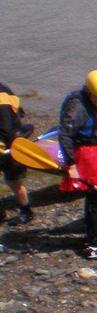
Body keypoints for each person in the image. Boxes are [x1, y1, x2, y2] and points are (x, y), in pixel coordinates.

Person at [58, 70, 97, 260]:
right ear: (90, 90)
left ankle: (92, 233)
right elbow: (65, 135)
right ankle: (92, 245)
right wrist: (71, 165)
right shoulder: (77, 107)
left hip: (89, 151)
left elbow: (86, 130)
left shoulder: (85, 99)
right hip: (82, 155)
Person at [0, 81, 34, 226]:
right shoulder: (4, 90)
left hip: (10, 146)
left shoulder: (2, 99)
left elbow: (5, 131)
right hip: (8, 140)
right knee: (13, 181)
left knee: (14, 181)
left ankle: (26, 211)